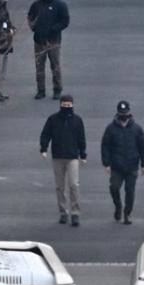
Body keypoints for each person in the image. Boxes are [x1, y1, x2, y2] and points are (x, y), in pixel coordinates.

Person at [40, 95, 87, 226]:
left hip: (72, 157)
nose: (67, 107)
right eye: (64, 105)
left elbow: (81, 138)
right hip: (58, 157)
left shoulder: (77, 120)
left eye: (69, 105)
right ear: (60, 105)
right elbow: (45, 134)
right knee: (60, 187)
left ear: (72, 105)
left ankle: (75, 212)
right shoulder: (53, 119)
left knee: (73, 185)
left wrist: (83, 155)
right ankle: (63, 212)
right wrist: (43, 148)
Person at [101, 100, 144, 225]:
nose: (123, 115)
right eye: (121, 113)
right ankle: (118, 206)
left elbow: (143, 147)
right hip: (116, 166)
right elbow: (105, 146)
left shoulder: (137, 129)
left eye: (125, 112)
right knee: (114, 187)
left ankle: (127, 213)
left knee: (130, 191)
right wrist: (106, 163)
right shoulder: (110, 129)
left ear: (129, 113)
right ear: (117, 113)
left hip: (132, 166)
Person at [27, 0, 69, 100]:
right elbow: (30, 17)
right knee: (39, 66)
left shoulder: (60, 5)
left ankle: (57, 89)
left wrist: (54, 29)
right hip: (38, 41)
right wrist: (34, 27)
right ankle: (41, 90)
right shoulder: (36, 5)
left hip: (53, 41)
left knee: (55, 65)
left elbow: (65, 21)